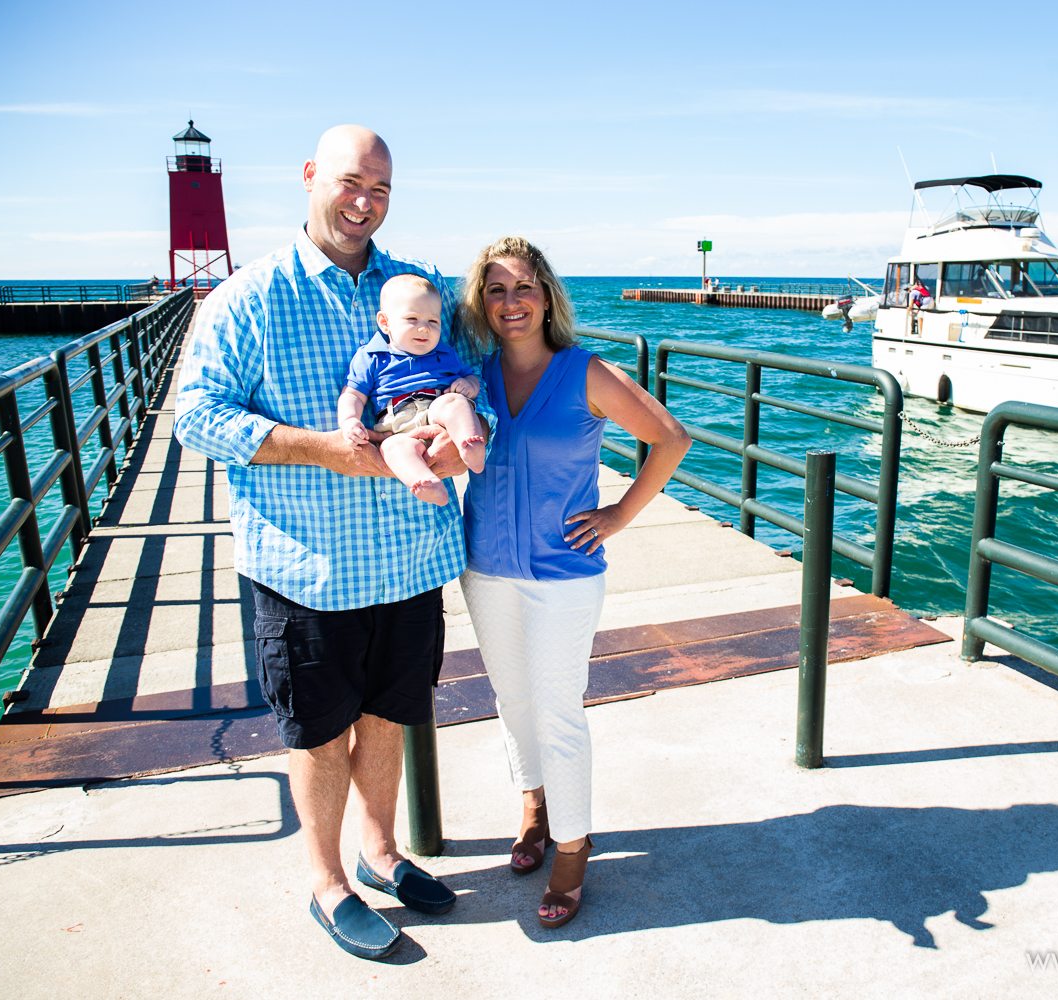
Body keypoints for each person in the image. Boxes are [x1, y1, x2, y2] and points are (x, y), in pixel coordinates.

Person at [173, 125, 493, 961]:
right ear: (311, 175)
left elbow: (473, 386)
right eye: (351, 181)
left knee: (389, 717)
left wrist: (462, 438)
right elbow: (196, 417)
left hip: (410, 558)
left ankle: (381, 853)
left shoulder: (417, 286)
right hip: (307, 567)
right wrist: (324, 448)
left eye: (381, 188)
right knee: (317, 733)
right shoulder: (248, 296)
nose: (365, 201)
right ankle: (327, 883)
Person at [456, 235, 690, 929]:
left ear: (547, 295)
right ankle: (533, 805)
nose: (511, 302)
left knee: (558, 710)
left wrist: (618, 514)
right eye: (496, 291)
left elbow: (671, 437)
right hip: (484, 567)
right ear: (481, 303)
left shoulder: (586, 371)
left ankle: (572, 845)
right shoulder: (473, 376)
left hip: (563, 575)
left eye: (523, 287)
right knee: (511, 699)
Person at [339, 273, 488, 502]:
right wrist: (350, 421)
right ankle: (425, 482)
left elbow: (472, 377)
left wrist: (469, 385)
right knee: (392, 448)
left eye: (433, 322)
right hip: (396, 421)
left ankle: (471, 442)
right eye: (412, 319)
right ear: (385, 323)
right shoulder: (372, 356)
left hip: (436, 410)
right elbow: (353, 395)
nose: (424, 329)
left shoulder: (444, 353)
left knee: (456, 403)